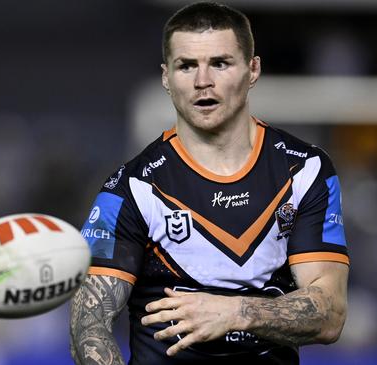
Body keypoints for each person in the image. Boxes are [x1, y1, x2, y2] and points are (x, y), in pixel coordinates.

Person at [70, 2, 349, 364]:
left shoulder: (304, 171)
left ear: (253, 69)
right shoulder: (130, 189)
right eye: (187, 66)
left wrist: (233, 313)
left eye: (220, 63)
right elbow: (87, 324)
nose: (203, 81)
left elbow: (330, 314)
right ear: (166, 77)